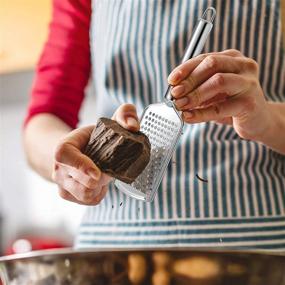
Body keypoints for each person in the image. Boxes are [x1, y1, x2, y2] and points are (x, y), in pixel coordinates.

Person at [24, 0, 285, 250]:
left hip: (253, 252)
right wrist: (74, 164)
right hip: (112, 256)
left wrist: (268, 121)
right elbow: (44, 120)